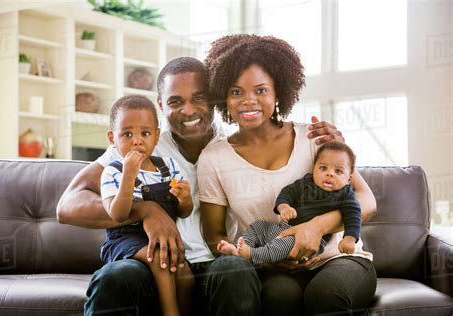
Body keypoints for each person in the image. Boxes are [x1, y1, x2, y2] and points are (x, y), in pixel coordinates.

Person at [57, 56, 347, 315]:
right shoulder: (141, 144)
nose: (188, 110)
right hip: (154, 266)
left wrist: (325, 140)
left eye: (199, 98)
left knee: (234, 269)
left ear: (216, 100)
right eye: (175, 102)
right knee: (116, 276)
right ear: (160, 106)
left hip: (217, 263)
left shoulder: (232, 148)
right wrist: (145, 210)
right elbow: (67, 206)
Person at [198, 34, 377, 315]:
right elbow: (214, 234)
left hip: (337, 257)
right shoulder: (214, 158)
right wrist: (263, 258)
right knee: (279, 297)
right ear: (223, 96)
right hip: (276, 265)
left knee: (325, 296)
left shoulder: (314, 137)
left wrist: (316, 226)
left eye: (260, 90)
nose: (248, 101)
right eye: (236, 92)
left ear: (278, 91)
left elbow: (366, 200)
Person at [99, 95, 194, 316]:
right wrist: (128, 177)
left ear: (157, 135)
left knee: (186, 275)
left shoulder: (168, 167)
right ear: (113, 138)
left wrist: (185, 199)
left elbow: (183, 212)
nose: (137, 141)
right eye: (127, 134)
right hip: (124, 240)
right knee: (162, 260)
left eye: (145, 133)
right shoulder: (113, 171)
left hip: (164, 238)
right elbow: (118, 214)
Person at [217, 141, 362, 266]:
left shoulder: (345, 194)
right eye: (323, 168)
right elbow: (287, 192)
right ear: (314, 168)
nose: (329, 174)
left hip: (306, 241)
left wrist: (349, 238)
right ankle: (242, 248)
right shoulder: (307, 182)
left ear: (349, 179)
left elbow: (354, 215)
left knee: (282, 247)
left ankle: (251, 255)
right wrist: (284, 207)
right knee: (258, 226)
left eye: (338, 171)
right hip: (282, 228)